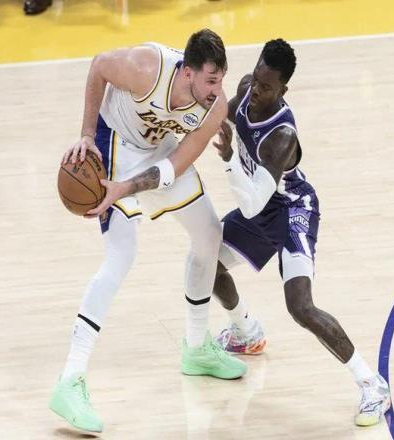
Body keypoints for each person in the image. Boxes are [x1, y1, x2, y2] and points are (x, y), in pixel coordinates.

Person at [49, 29, 247, 433]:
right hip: (114, 144)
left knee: (209, 234)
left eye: (221, 80)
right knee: (121, 255)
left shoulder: (214, 108)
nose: (217, 91)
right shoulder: (145, 68)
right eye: (211, 80)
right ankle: (70, 380)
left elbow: (174, 166)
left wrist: (130, 188)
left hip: (158, 154)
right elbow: (99, 66)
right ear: (187, 73)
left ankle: (196, 348)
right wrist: (86, 134)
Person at [211, 38, 391, 427]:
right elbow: (221, 117)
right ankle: (245, 332)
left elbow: (252, 205)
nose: (257, 91)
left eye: (267, 87)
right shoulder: (246, 89)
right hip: (261, 201)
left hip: (291, 210)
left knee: (300, 307)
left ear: (284, 90)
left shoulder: (282, 137)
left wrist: (227, 159)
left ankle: (372, 384)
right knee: (206, 262)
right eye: (256, 79)